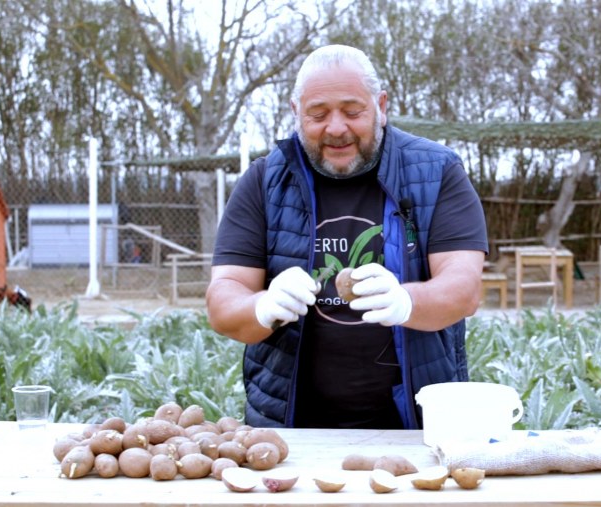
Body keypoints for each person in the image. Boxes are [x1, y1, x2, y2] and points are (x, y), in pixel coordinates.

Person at [206, 44, 488, 430]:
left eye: (353, 112)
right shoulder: (263, 181)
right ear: (295, 113)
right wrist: (262, 307)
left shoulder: (437, 172)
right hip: (290, 431)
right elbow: (223, 299)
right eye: (318, 114)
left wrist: (407, 301)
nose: (336, 128)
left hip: (416, 430)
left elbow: (464, 287)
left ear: (381, 106)